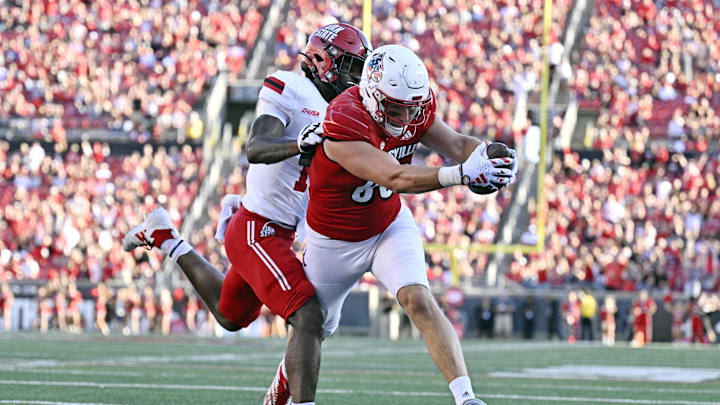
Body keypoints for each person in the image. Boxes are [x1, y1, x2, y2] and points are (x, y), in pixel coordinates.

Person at [122, 23, 372, 405]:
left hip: (283, 231)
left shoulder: (345, 110)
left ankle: (165, 237)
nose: (354, 78)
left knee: (231, 316)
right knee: (306, 315)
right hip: (258, 228)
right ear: (324, 61)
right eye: (351, 67)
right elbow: (257, 146)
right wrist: (298, 144)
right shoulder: (290, 87)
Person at [302, 44, 518, 405]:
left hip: (386, 224)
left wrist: (486, 155)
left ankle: (466, 398)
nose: (405, 117)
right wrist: (463, 174)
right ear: (372, 95)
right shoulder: (343, 117)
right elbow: (396, 176)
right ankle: (288, 398)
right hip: (333, 240)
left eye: (411, 107)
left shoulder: (414, 106)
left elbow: (457, 143)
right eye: (396, 107)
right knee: (308, 327)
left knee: (418, 299)